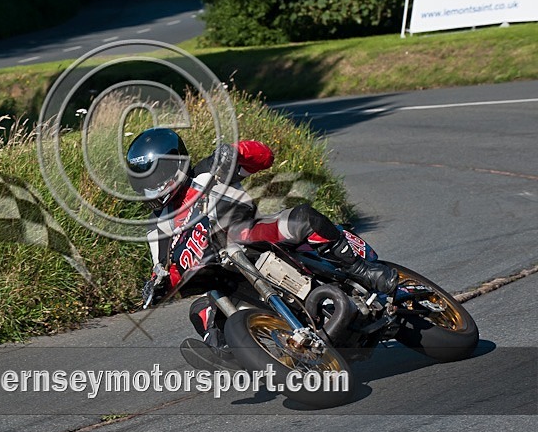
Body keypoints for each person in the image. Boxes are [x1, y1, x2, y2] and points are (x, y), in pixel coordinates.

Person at [125, 127, 398, 356]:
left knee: (302, 218)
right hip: (222, 273)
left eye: (156, 179)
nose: (153, 188)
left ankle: (362, 270)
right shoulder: (157, 228)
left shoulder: (208, 171)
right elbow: (165, 269)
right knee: (200, 312)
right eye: (144, 182)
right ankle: (235, 354)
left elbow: (264, 157)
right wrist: (157, 285)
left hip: (253, 235)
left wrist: (237, 152)